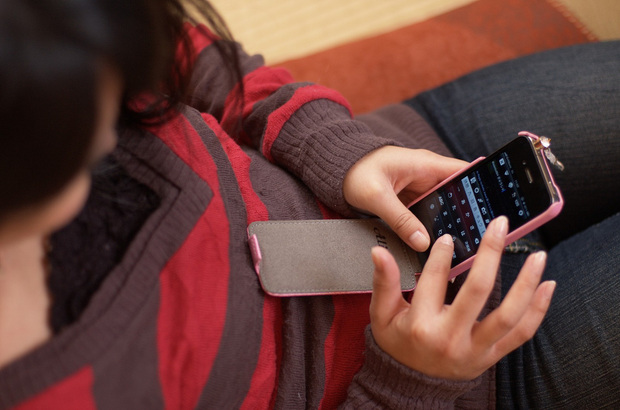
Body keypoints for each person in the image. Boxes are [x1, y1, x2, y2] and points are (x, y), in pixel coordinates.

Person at [0, 0, 618, 408]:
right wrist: (411, 380)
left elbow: (186, 56)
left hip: (421, 166)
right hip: (475, 380)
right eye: (88, 133)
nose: (116, 133)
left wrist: (340, 151)